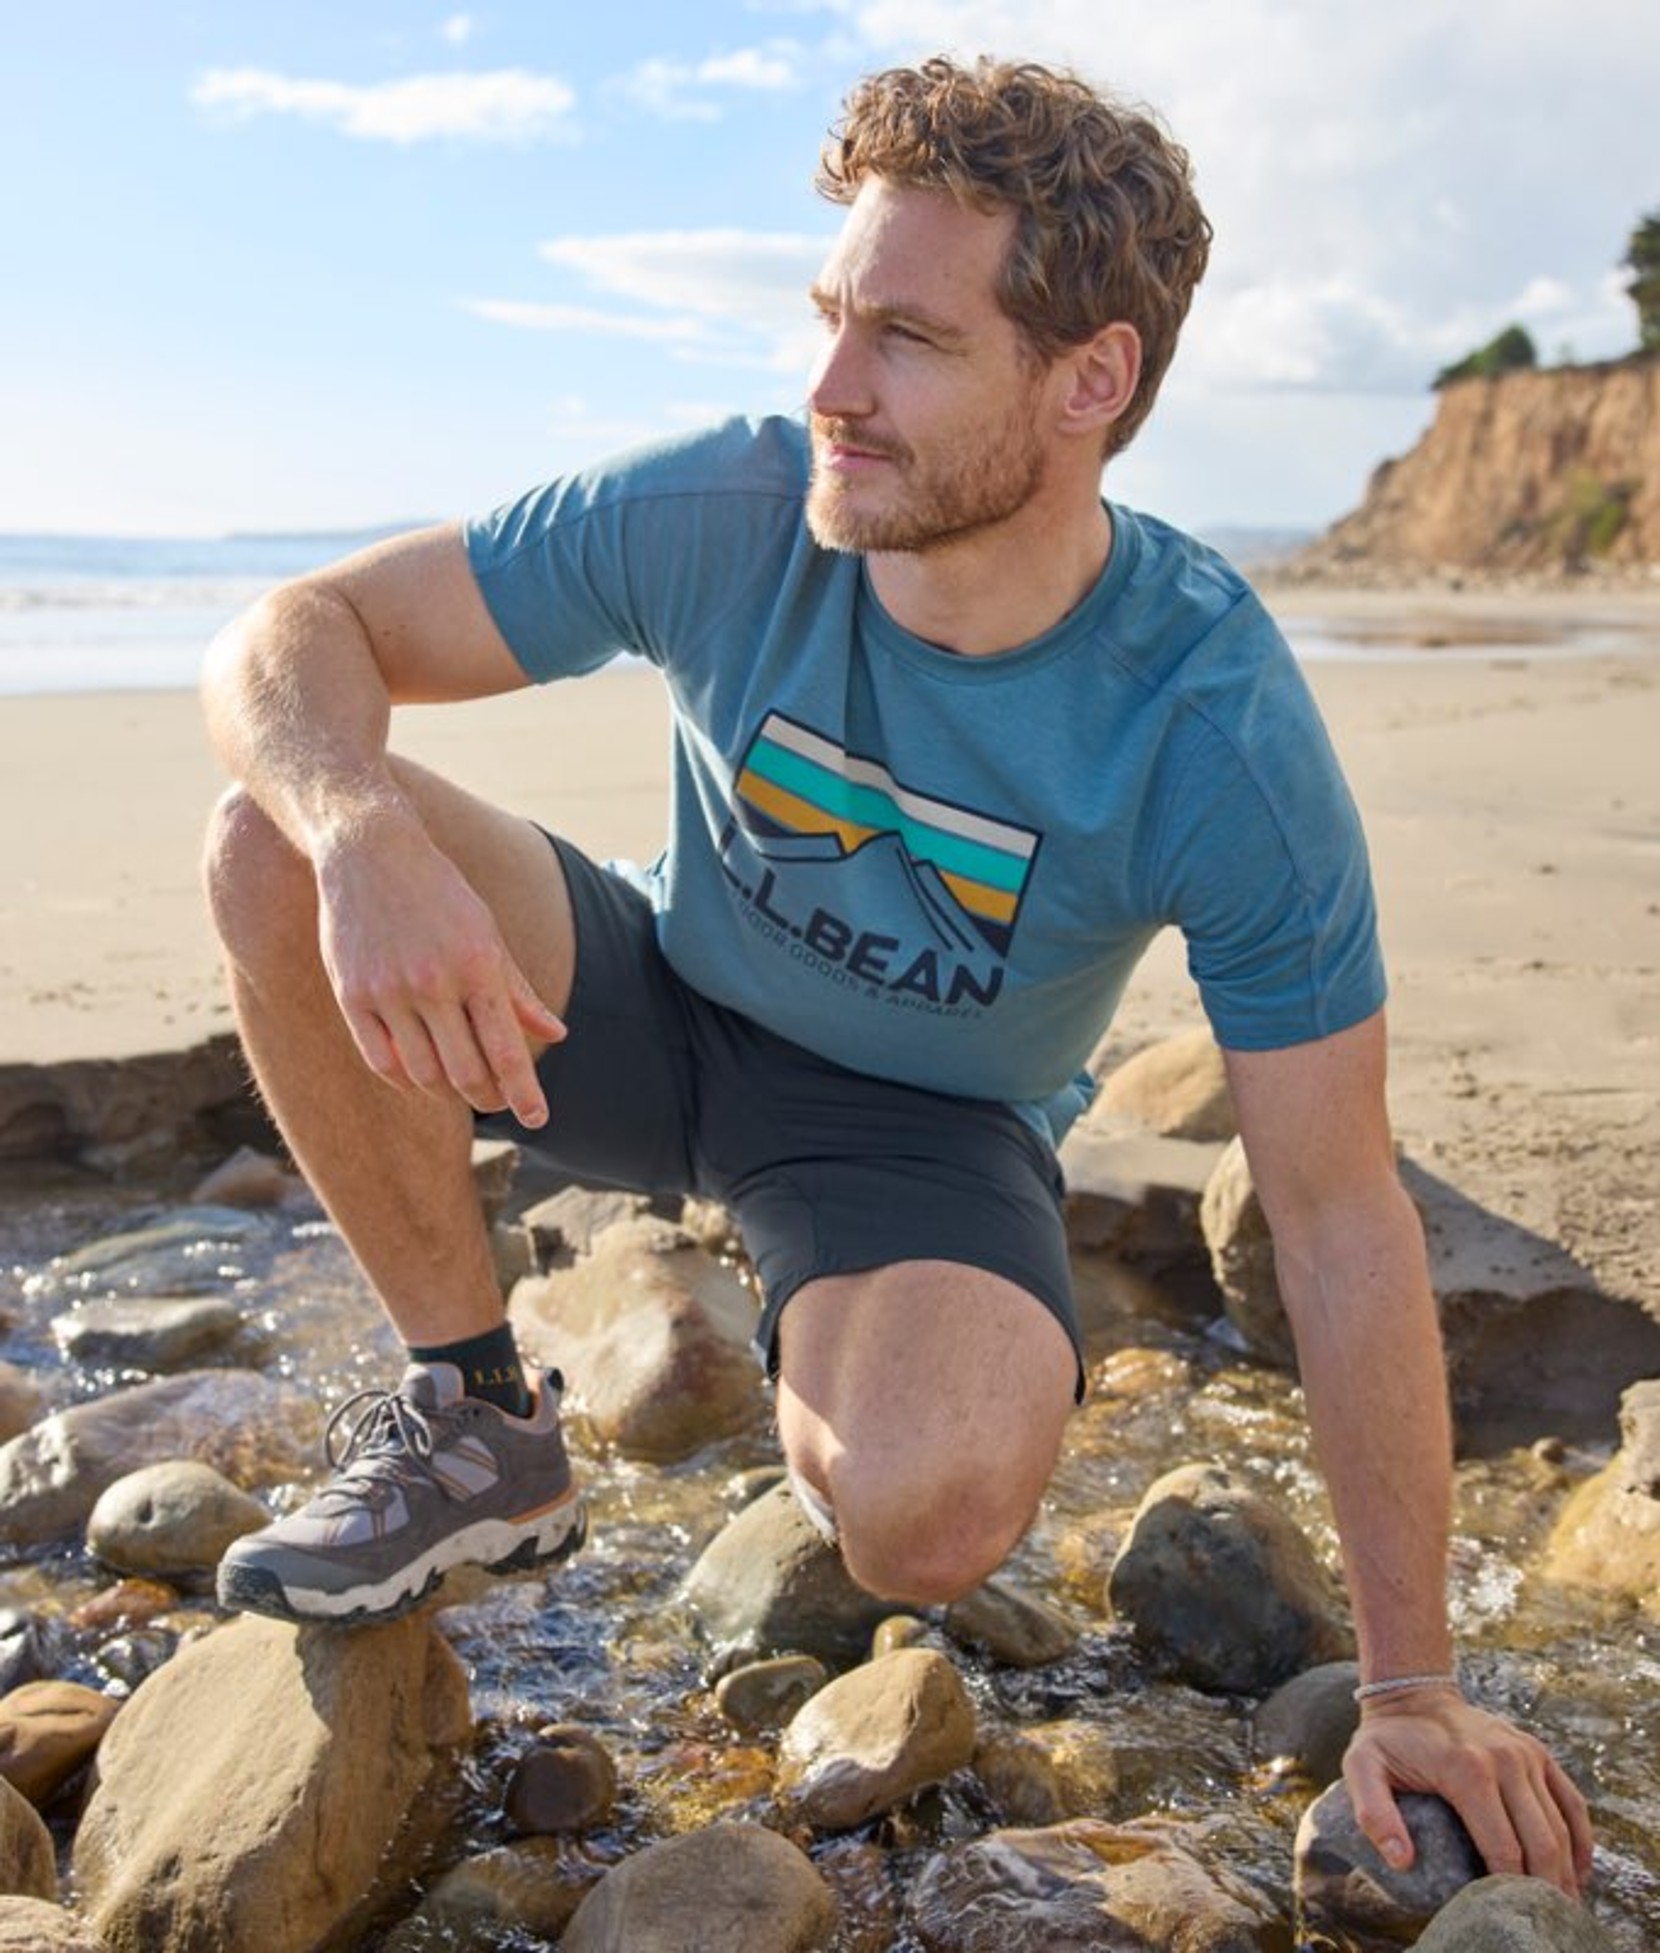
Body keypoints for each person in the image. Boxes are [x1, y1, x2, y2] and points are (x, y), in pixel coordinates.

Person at [200, 53, 1592, 1897]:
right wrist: (359, 823)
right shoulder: (732, 506)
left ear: (1088, 380)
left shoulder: (1210, 724)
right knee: (268, 838)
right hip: (649, 1000)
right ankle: (475, 1413)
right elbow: (295, 633)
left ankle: (803, 1293)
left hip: (919, 1131)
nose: (828, 387)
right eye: (830, 314)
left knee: (922, 1515)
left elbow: (1338, 1213)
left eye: (907, 340)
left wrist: (1411, 1681)